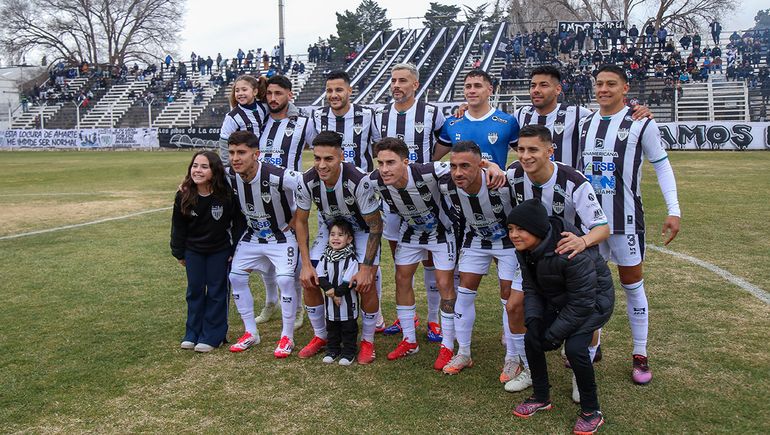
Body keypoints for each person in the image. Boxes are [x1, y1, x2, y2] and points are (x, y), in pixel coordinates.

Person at [578, 64, 681, 385]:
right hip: (591, 222)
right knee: (589, 288)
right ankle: (593, 347)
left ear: (625, 89)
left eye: (611, 84)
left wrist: (674, 210)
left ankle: (640, 353)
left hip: (626, 221)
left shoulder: (641, 123)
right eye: (599, 84)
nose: (603, 89)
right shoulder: (585, 123)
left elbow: (662, 166)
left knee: (632, 285)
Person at [369, 138, 503, 370]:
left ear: (406, 161)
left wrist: (492, 166)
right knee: (401, 278)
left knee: (444, 283)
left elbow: (466, 164)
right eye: (380, 163)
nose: (384, 169)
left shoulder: (428, 172)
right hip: (411, 231)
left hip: (442, 232)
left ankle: (448, 345)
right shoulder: (373, 181)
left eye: (390, 162)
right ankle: (410, 340)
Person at [505, 125, 611, 397]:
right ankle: (530, 367)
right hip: (534, 259)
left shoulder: (573, 180)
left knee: (585, 316)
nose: (525, 156)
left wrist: (582, 241)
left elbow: (602, 227)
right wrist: (489, 168)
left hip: (571, 258)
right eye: (521, 150)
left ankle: (580, 371)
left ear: (550, 151)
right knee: (515, 306)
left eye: (533, 150)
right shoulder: (514, 174)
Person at [508, 199, 614, 435]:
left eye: (520, 229)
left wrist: (554, 336)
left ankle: (591, 411)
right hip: (560, 299)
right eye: (511, 229)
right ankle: (541, 396)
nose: (514, 235)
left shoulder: (570, 251)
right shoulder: (525, 249)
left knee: (575, 348)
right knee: (531, 337)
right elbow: (531, 287)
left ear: (536, 229)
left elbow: (582, 303)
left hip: (593, 302)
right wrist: (534, 321)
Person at [294, 131, 383, 365]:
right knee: (309, 278)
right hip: (330, 228)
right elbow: (301, 221)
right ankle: (321, 336)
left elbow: (375, 225)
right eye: (317, 158)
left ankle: (367, 341)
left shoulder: (358, 180)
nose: (321, 165)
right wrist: (305, 264)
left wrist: (366, 269)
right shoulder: (307, 180)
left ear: (341, 156)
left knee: (366, 282)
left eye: (329, 159)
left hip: (361, 230)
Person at [374, 63, 446, 341]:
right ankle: (409, 315)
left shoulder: (431, 112)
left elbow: (446, 141)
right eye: (393, 80)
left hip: (425, 198)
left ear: (415, 84)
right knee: (402, 260)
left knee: (430, 259)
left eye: (403, 80)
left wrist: (427, 165)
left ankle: (433, 319)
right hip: (392, 199)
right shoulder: (379, 115)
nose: (396, 85)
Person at [437, 141, 521, 379]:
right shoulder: (446, 184)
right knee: (463, 291)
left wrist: (495, 165)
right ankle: (464, 352)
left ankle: (512, 358)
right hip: (476, 239)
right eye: (453, 166)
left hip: (507, 242)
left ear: (481, 164)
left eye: (465, 166)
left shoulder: (502, 183)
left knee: (508, 296)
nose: (458, 172)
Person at [225, 131, 302, 358]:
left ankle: (287, 336)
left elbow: (307, 184)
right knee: (236, 277)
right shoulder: (229, 175)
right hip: (253, 236)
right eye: (231, 153)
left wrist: (296, 218)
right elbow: (203, 175)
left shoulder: (277, 175)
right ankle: (251, 333)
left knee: (286, 279)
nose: (235, 158)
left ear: (256, 154)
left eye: (241, 152)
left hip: (281, 236)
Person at [171, 151, 242, 353]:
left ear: (215, 170)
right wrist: (179, 253)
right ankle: (192, 333)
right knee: (194, 291)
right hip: (193, 251)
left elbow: (238, 223)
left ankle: (213, 335)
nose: (198, 170)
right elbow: (178, 226)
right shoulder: (184, 194)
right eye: (195, 166)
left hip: (219, 251)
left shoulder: (226, 194)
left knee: (216, 292)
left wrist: (234, 249)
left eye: (204, 166)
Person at [436, 69, 520, 168]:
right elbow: (433, 157)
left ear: (490, 90)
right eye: (468, 87)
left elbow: (527, 153)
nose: (472, 90)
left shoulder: (508, 122)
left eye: (478, 86)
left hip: (495, 183)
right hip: (461, 183)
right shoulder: (451, 123)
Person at [311, 70, 380, 172]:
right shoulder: (317, 116)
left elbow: (379, 144)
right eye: (329, 91)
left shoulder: (367, 115)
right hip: (329, 182)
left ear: (349, 91)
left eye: (339, 90)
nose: (333, 95)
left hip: (361, 182)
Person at [317, 219, 360, 366]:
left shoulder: (351, 259)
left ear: (349, 239)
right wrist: (330, 291)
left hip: (347, 302)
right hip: (330, 304)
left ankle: (349, 352)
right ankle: (332, 350)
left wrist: (336, 295)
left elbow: (347, 283)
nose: (335, 238)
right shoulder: (324, 257)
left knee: (349, 328)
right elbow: (320, 277)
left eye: (340, 235)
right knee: (332, 328)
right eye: (332, 234)